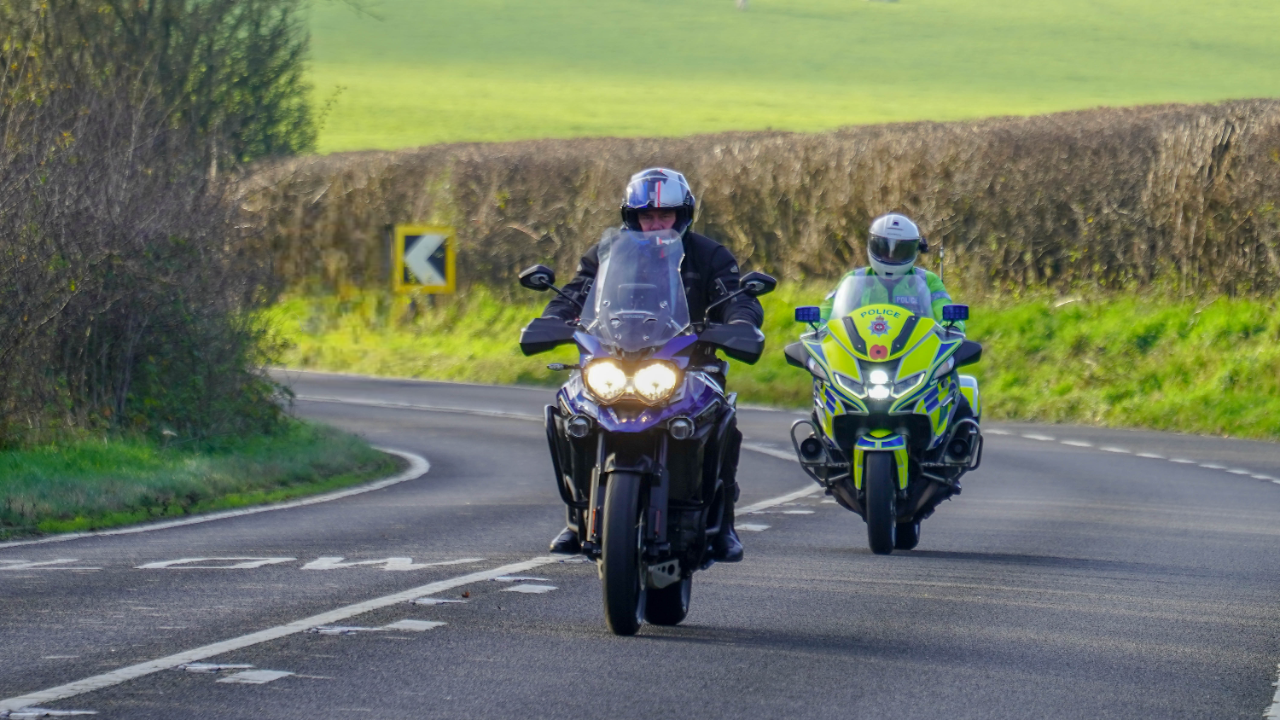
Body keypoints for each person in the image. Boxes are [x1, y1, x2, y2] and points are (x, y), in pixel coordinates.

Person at [541, 167, 763, 562]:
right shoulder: (606, 254)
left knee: (723, 421)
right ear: (632, 218)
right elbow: (576, 294)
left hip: (689, 367)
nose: (657, 223)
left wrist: (741, 321)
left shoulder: (710, 255)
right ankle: (577, 515)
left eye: (666, 215)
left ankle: (723, 521)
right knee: (570, 411)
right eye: (647, 216)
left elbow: (735, 296)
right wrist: (552, 318)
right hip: (612, 359)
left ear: (683, 215)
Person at [819, 212, 963, 331]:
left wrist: (953, 326)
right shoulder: (853, 279)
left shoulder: (928, 280)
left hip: (917, 352)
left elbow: (944, 308)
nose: (890, 256)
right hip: (859, 350)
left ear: (915, 249)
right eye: (883, 249)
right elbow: (828, 309)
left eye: (899, 251)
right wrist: (818, 327)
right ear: (871, 245)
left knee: (949, 365)